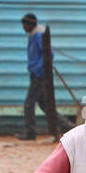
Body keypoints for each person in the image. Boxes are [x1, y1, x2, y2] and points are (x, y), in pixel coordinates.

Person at [19, 13, 59, 141]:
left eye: (25, 24)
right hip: (36, 74)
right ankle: (67, 127)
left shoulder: (38, 35)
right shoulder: (33, 35)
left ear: (31, 25)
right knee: (45, 106)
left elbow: (49, 54)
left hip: (39, 76)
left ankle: (30, 132)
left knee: (29, 104)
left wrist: (38, 69)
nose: (23, 27)